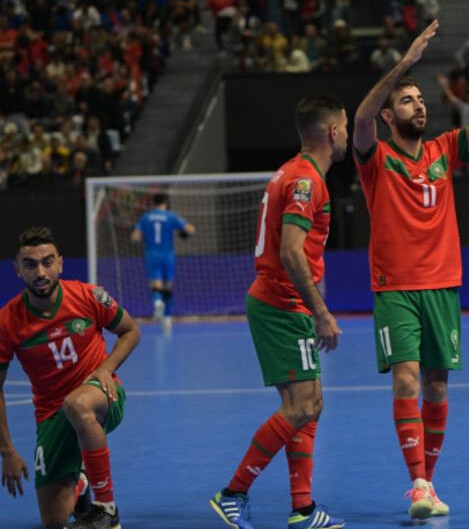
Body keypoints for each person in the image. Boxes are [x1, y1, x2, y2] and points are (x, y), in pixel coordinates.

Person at [353, 17, 469, 519]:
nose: (418, 105)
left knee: (438, 387)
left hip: (443, 285)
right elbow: (358, 118)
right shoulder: (374, 157)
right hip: (395, 288)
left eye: (420, 99)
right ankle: (418, 483)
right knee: (406, 381)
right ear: (388, 115)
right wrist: (403, 65)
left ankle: (429, 483)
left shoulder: (445, 150)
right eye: (406, 100)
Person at [209, 95, 348, 529]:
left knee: (311, 405)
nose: (347, 133)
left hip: (284, 303)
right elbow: (290, 251)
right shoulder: (308, 181)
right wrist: (321, 311)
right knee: (301, 406)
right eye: (344, 126)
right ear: (332, 132)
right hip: (282, 304)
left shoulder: (291, 172)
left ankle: (303, 509)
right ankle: (232, 493)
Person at [0, 226, 141, 529]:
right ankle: (82, 480)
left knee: (77, 404)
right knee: (53, 522)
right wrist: (7, 450)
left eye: (48, 261)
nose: (40, 271)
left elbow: (130, 330)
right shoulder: (7, 321)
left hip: (102, 396)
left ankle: (106, 508)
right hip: (50, 414)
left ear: (60, 263)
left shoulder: (89, 296)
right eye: (30, 264)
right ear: (17, 269)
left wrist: (106, 368)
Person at [131, 193, 195, 334]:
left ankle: (157, 302)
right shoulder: (171, 216)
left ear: (153, 203)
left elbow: (135, 237)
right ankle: (167, 319)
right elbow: (190, 229)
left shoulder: (146, 217)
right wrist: (183, 233)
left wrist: (145, 236)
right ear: (165, 202)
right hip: (168, 255)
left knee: (155, 286)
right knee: (168, 287)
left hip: (152, 255)